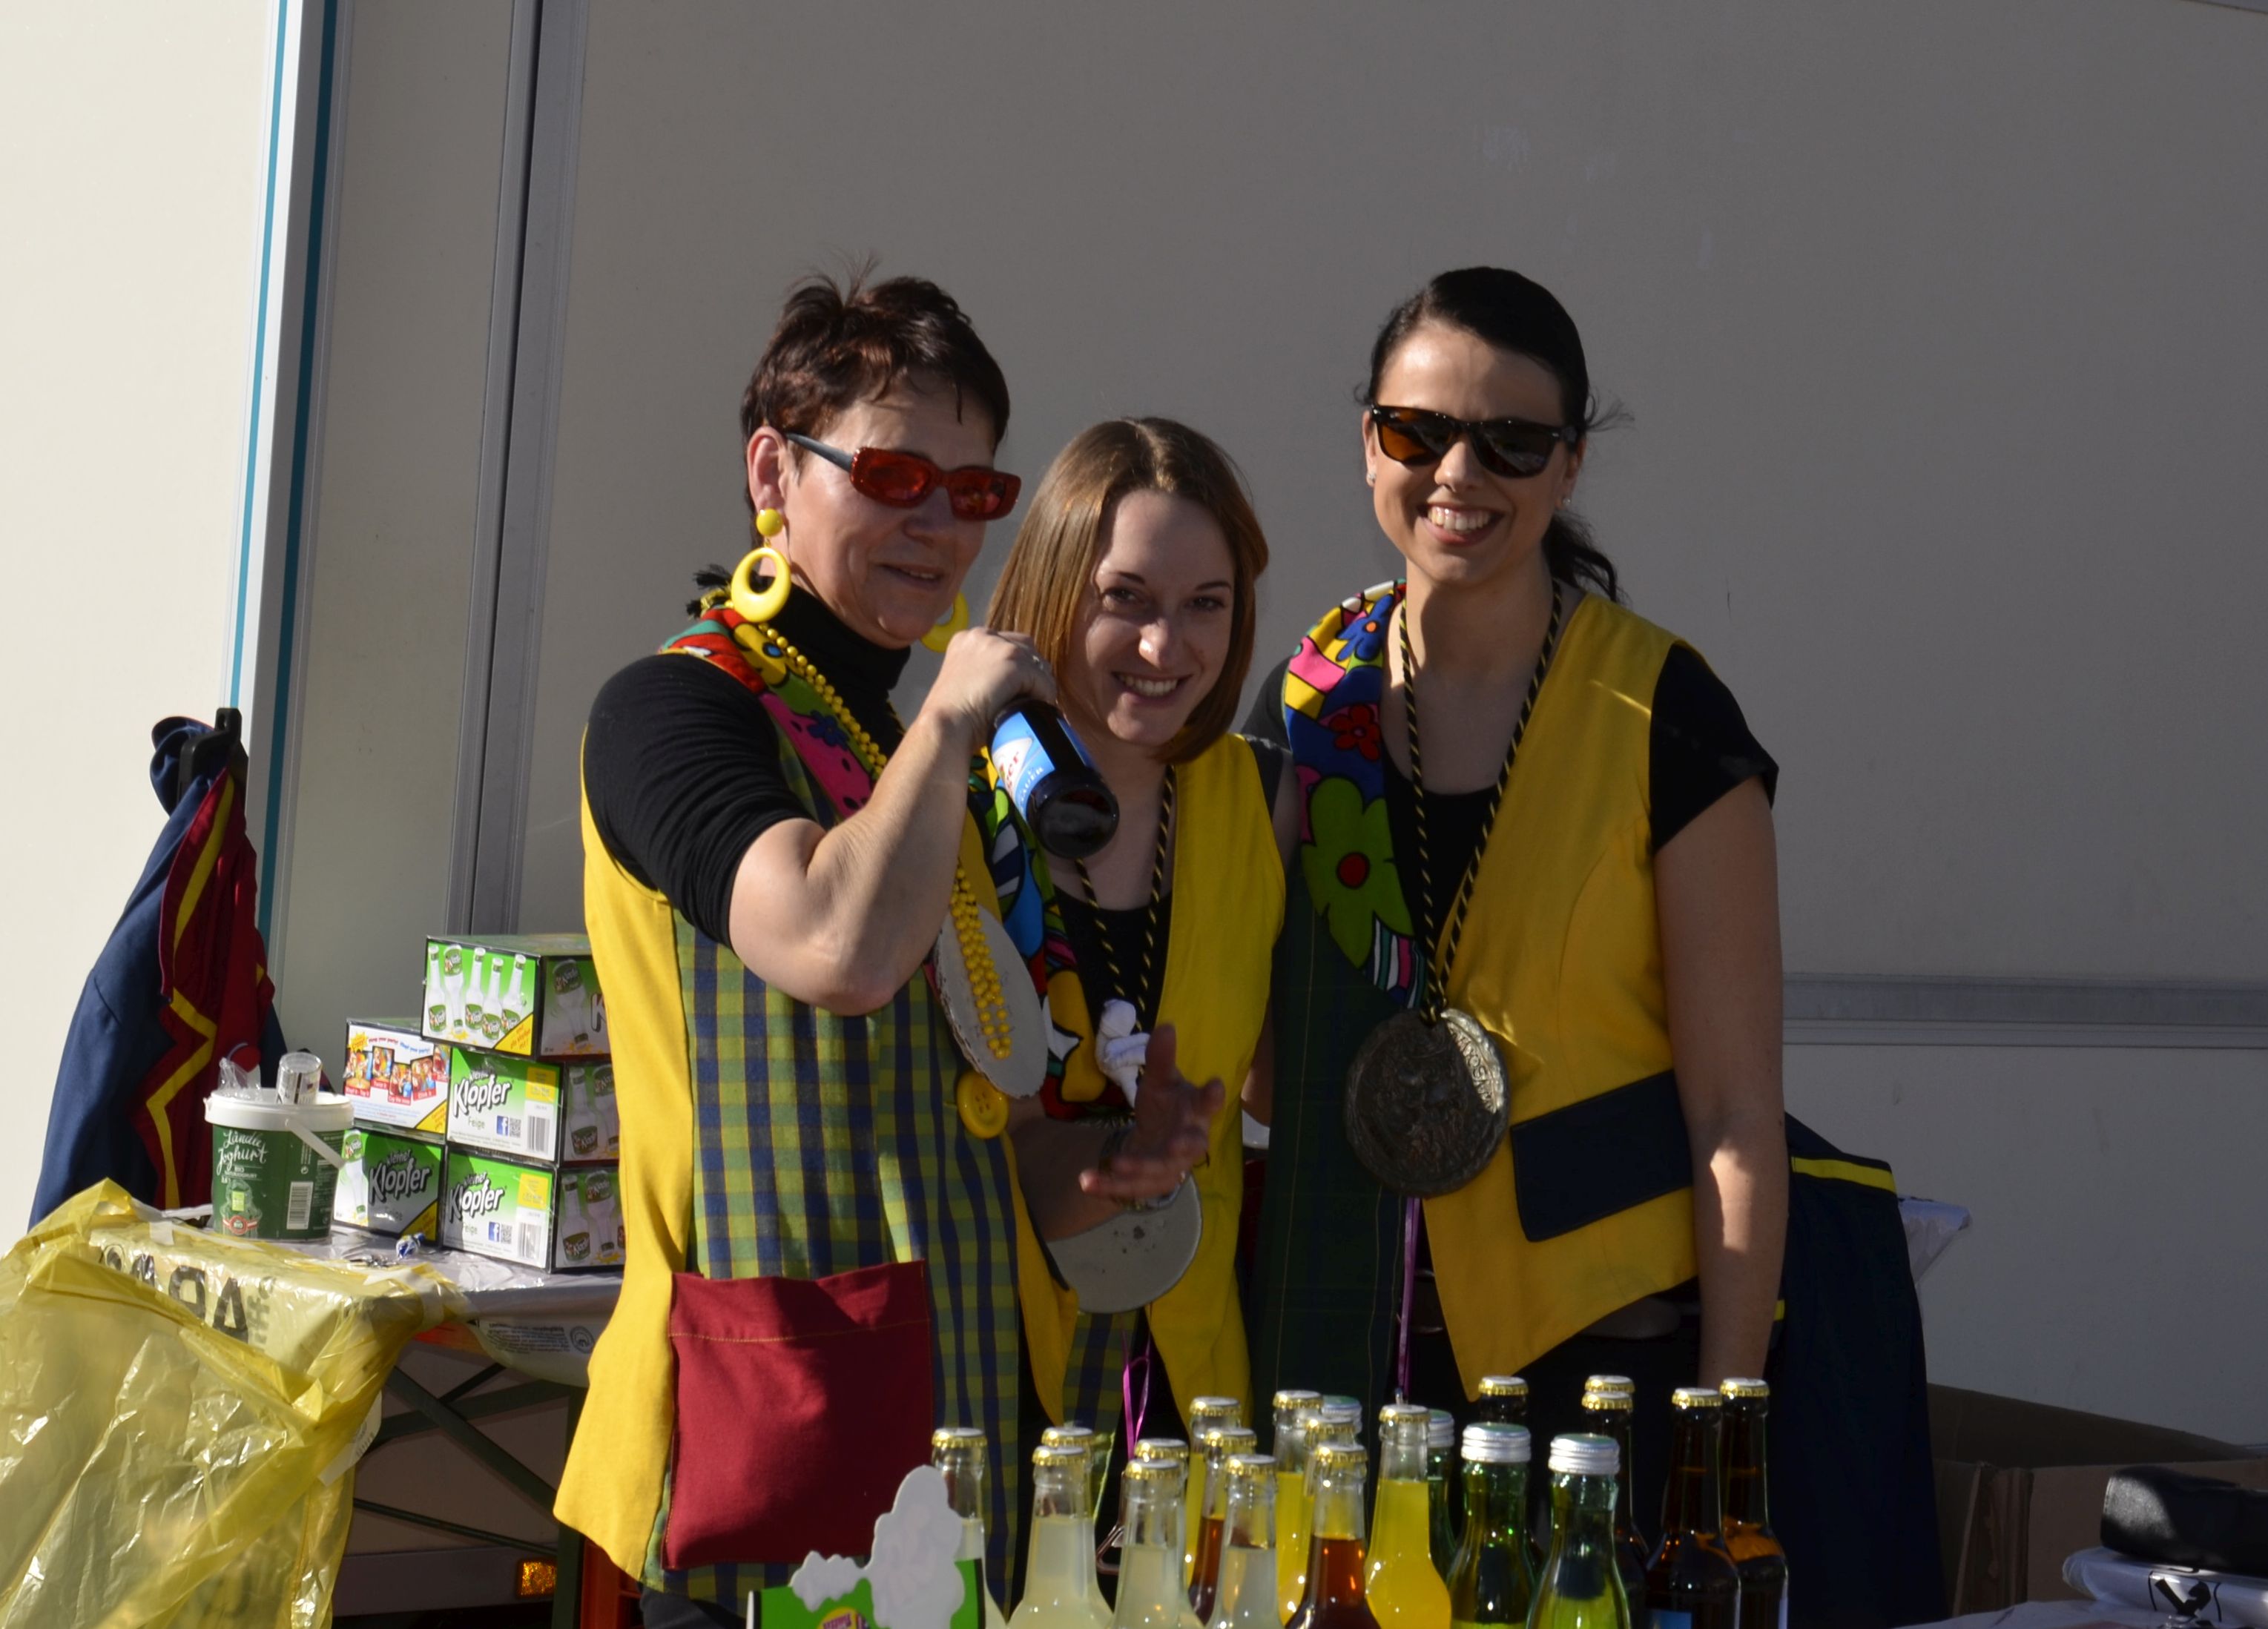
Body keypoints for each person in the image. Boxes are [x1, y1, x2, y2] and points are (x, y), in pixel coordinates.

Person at [1242, 268, 1942, 1623]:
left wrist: (1720, 1432)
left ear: (1568, 467)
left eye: (1511, 441)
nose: (1458, 473)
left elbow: (1734, 1112)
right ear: (1367, 443)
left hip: (1601, 1390)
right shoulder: (1309, 698)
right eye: (1416, 431)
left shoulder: (1663, 709)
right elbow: (1265, 1062)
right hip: (1356, 1367)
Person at [556, 274, 1217, 1629]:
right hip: (765, 1437)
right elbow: (833, 947)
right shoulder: (672, 706)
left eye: (973, 492)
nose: (939, 524)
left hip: (947, 1439)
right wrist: (952, 722)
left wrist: (1106, 1165)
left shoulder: (907, 752)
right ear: (773, 472)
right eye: (896, 474)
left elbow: (969, 1115)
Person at [985, 418, 1279, 1455]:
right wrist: (1120, 1153)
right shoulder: (955, 801)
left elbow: (1280, 1088)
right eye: (1126, 598)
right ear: (1052, 590)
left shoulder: (1262, 799)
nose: (1165, 647)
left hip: (1191, 1397)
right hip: (993, 1379)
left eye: (1206, 604)